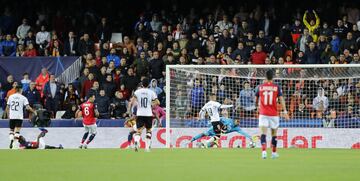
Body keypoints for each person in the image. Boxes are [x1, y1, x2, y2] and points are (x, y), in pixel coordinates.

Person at [255, 70, 289, 159]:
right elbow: (281, 99)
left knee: (263, 133)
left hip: (263, 113)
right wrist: (285, 111)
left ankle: (264, 152)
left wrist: (257, 107)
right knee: (274, 134)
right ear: (272, 77)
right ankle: (273, 153)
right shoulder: (276, 87)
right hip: (274, 114)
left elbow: (256, 99)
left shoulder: (260, 87)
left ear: (265, 77)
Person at [5, 84, 37, 149]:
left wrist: (8, 115)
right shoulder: (23, 98)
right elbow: (27, 107)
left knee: (11, 130)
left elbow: (7, 107)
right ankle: (14, 145)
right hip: (19, 116)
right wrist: (34, 111)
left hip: (12, 116)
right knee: (17, 131)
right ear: (20, 90)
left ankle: (11, 140)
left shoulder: (10, 97)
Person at [133, 78, 158, 152]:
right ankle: (147, 148)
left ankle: (137, 141)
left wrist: (132, 109)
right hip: (148, 113)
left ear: (142, 84)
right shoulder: (151, 92)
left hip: (140, 113)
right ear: (149, 84)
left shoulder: (137, 92)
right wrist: (151, 105)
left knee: (139, 130)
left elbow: (133, 101)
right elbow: (157, 102)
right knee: (149, 130)